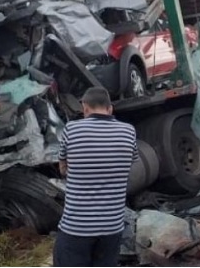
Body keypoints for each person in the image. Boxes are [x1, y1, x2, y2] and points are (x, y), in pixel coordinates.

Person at [54, 86, 138, 267]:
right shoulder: (129, 131)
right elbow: (129, 164)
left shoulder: (71, 130)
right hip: (112, 228)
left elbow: (63, 169)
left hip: (77, 227)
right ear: (110, 108)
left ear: (85, 108)